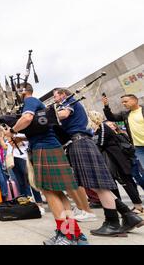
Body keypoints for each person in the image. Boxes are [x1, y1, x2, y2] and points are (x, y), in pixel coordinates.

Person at [54, 88, 143, 236]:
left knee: (98, 185)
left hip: (80, 142)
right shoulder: (68, 104)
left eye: (56, 96)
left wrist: (45, 115)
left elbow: (63, 114)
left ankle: (112, 223)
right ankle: (128, 215)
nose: (54, 99)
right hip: (78, 142)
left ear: (63, 94)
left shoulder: (69, 101)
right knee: (97, 185)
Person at [5, 84, 87, 245]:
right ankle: (75, 234)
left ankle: (66, 235)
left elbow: (27, 118)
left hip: (45, 149)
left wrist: (13, 131)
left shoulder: (30, 100)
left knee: (49, 192)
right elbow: (39, 127)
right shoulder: (36, 104)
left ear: (23, 92)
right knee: (58, 193)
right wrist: (23, 137)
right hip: (49, 146)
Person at [89, 112, 144, 215]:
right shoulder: (96, 130)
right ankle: (122, 208)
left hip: (116, 158)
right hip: (108, 159)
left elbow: (100, 143)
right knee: (113, 184)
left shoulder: (103, 127)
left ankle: (139, 207)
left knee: (126, 182)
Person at [103, 94, 144, 190]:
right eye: (122, 102)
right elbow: (111, 117)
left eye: (126, 101)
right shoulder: (125, 114)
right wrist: (106, 106)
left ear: (135, 100)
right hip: (138, 148)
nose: (123, 104)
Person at [4, 132, 45, 215]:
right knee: (21, 182)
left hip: (23, 158)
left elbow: (26, 139)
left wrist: (18, 140)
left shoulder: (22, 133)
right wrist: (5, 137)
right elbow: (6, 146)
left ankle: (39, 202)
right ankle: (25, 202)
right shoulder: (9, 133)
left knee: (31, 181)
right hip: (13, 159)